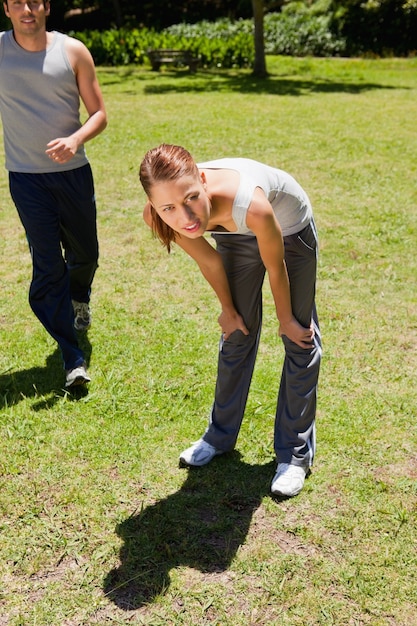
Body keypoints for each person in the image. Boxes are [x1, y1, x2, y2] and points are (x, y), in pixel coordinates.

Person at [139, 144, 322, 498]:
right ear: (155, 206)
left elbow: (275, 266)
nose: (185, 215)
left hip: (287, 227)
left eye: (191, 197)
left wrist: (285, 319)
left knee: (299, 336)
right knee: (236, 332)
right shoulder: (161, 216)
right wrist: (228, 309)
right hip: (232, 231)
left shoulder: (251, 203)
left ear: (203, 181)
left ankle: (295, 456)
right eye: (168, 208)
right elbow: (209, 262)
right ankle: (218, 437)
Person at [0, 0, 107, 388]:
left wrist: (76, 138)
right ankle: (72, 356)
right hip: (26, 180)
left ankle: (80, 294)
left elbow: (99, 113)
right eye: (17, 3)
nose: (27, 9)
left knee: (87, 253)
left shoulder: (72, 51)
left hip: (73, 174)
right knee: (47, 267)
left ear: (46, 6)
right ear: (7, 9)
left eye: (34, 1)